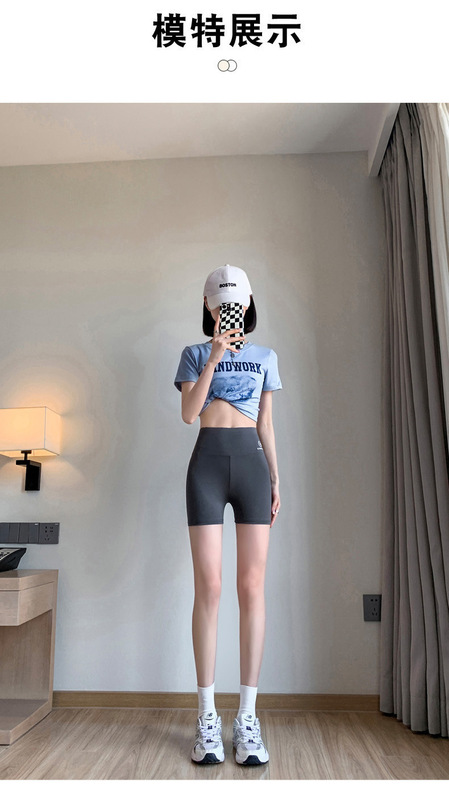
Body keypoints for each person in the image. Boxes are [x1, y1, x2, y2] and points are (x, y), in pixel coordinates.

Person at [173, 264, 282, 766]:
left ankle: (248, 718)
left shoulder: (266, 357)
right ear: (208, 306)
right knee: (210, 587)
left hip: (253, 469)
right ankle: (207, 718)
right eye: (221, 304)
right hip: (207, 467)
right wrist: (216, 353)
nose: (228, 310)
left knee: (252, 587)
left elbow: (266, 423)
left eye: (236, 304)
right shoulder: (194, 353)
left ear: (248, 304)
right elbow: (188, 413)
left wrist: (276, 479)